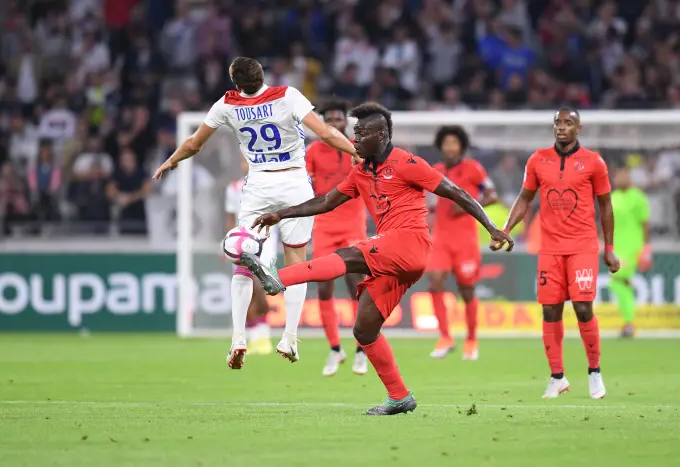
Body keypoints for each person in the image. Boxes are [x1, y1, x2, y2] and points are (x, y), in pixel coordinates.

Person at [241, 103, 513, 415]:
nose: (354, 139)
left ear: (381, 135)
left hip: (410, 242)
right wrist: (281, 214)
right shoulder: (360, 171)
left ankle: (277, 279)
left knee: (348, 254)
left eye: (361, 133)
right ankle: (399, 396)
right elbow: (327, 201)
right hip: (393, 258)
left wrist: (492, 227)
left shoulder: (407, 162)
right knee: (364, 329)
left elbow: (457, 193)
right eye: (355, 133)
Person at [153, 57, 359, 370]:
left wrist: (172, 160)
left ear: (235, 81)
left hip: (258, 186)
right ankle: (289, 337)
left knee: (242, 258)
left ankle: (238, 337)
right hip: (294, 183)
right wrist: (354, 151)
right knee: (296, 260)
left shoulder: (227, 104)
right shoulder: (287, 95)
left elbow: (194, 144)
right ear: (262, 75)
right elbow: (327, 132)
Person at [498, 107, 619, 400]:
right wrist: (505, 229)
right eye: (557, 122)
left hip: (582, 247)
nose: (562, 127)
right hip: (549, 248)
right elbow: (524, 198)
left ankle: (594, 372)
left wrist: (609, 248)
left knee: (582, 307)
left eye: (568, 123)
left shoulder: (593, 162)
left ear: (579, 128)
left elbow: (605, 205)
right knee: (550, 310)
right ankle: (557, 377)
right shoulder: (537, 160)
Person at [306, 99, 368, 377]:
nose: (334, 123)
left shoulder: (358, 149)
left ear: (345, 121)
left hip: (353, 225)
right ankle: (334, 348)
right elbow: (304, 184)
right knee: (323, 288)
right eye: (328, 119)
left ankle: (362, 350)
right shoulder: (312, 152)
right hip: (323, 226)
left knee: (356, 285)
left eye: (338, 118)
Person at [427, 126, 499, 360]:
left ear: (461, 146)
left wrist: (469, 205)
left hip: (465, 240)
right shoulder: (435, 171)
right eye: (446, 143)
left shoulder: (474, 169)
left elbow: (492, 196)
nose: (450, 147)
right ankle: (445, 337)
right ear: (441, 146)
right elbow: (429, 204)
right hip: (441, 238)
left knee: (467, 290)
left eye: (454, 143)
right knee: (435, 282)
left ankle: (471, 340)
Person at [224, 155, 277, 355]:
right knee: (246, 289)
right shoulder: (234, 188)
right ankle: (256, 336)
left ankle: (262, 334)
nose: (245, 164)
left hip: (265, 244)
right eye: (243, 160)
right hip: (240, 246)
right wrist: (226, 246)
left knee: (260, 286)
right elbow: (230, 219)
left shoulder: (271, 186)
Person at [609, 167, 651, 337]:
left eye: (623, 176)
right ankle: (628, 322)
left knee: (617, 280)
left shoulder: (638, 197)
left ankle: (629, 323)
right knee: (620, 283)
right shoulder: (613, 197)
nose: (619, 179)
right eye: (617, 176)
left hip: (633, 246)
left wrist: (646, 247)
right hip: (617, 247)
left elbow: (645, 223)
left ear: (629, 178)